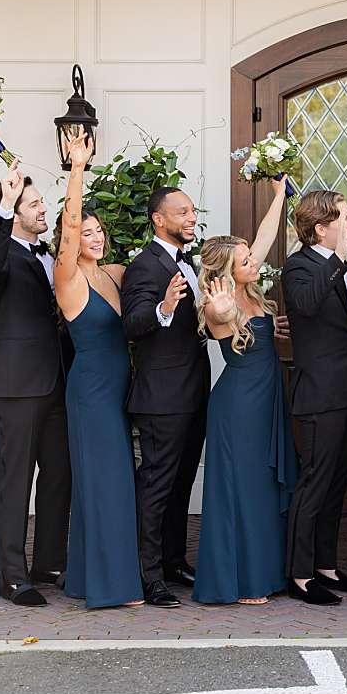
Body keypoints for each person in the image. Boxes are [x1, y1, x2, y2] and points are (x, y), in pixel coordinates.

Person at [194, 180, 298, 606]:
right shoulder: (220, 303)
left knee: (260, 491)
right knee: (242, 491)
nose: (253, 259)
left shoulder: (253, 294)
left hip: (266, 402)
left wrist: (279, 196)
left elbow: (265, 237)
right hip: (237, 410)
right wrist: (219, 309)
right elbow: (218, 319)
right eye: (243, 260)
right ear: (225, 271)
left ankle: (265, 574)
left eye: (250, 255)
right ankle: (240, 581)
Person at [281, 190, 347, 605]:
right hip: (318, 395)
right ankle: (299, 574)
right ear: (320, 227)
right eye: (343, 219)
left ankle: (325, 566)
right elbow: (306, 305)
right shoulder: (299, 268)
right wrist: (341, 259)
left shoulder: (335, 267)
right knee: (314, 483)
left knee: (336, 483)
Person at [52, 133, 144, 609]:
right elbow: (68, 227)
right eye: (86, 233)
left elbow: (157, 272)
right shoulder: (67, 278)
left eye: (97, 231)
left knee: (109, 481)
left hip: (118, 388)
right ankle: (113, 588)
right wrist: (77, 169)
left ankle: (88, 576)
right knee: (107, 481)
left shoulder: (114, 273)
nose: (94, 236)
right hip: (90, 392)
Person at [0, 164, 71, 606]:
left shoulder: (45, 253)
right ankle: (12, 576)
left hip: (58, 382)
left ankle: (47, 563)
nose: (42, 208)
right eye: (34, 204)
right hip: (17, 386)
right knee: (16, 482)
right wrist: (7, 204)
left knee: (58, 475)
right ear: (14, 212)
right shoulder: (0, 256)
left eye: (39, 202)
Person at [121, 186, 206, 608]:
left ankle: (173, 560)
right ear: (159, 219)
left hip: (193, 394)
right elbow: (133, 324)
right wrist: (165, 307)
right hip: (161, 398)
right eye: (183, 212)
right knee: (155, 488)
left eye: (192, 211)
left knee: (180, 486)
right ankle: (148, 575)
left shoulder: (189, 263)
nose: (191, 218)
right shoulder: (144, 266)